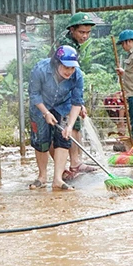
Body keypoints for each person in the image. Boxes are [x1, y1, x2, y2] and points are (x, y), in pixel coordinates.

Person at [28, 45, 85, 191]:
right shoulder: (40, 69)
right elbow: (34, 94)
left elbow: (77, 102)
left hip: (63, 106)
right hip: (40, 106)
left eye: (72, 68)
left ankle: (58, 179)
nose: (69, 71)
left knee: (64, 139)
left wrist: (70, 126)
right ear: (56, 64)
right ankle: (42, 177)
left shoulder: (77, 75)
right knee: (41, 140)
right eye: (66, 67)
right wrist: (46, 113)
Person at [53, 12, 97, 179]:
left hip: (69, 92)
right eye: (81, 32)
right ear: (72, 30)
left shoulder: (73, 44)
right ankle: (69, 166)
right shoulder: (65, 45)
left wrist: (78, 102)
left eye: (87, 33)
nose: (85, 36)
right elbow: (65, 74)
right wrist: (76, 102)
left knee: (74, 125)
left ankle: (75, 162)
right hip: (59, 93)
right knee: (66, 127)